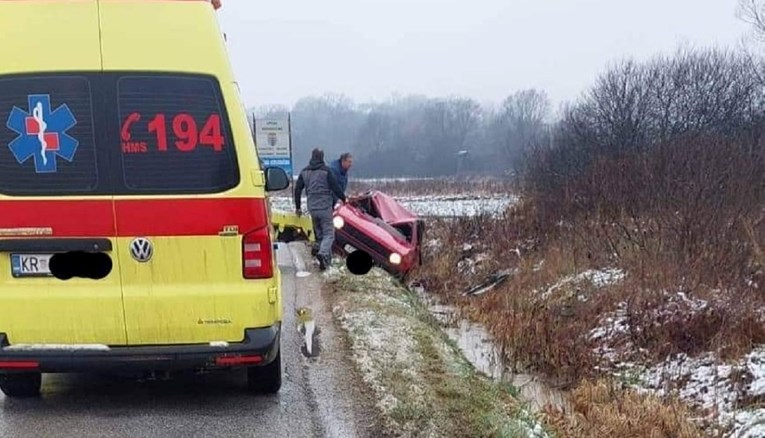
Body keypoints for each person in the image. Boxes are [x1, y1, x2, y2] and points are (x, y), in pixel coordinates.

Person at [294, 148, 347, 271]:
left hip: (312, 207)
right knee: (329, 234)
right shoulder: (326, 171)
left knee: (319, 233)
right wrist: (344, 199)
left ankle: (320, 253)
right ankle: (323, 254)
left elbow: (297, 190)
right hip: (324, 207)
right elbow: (336, 188)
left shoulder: (304, 172)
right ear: (322, 157)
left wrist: (298, 207)